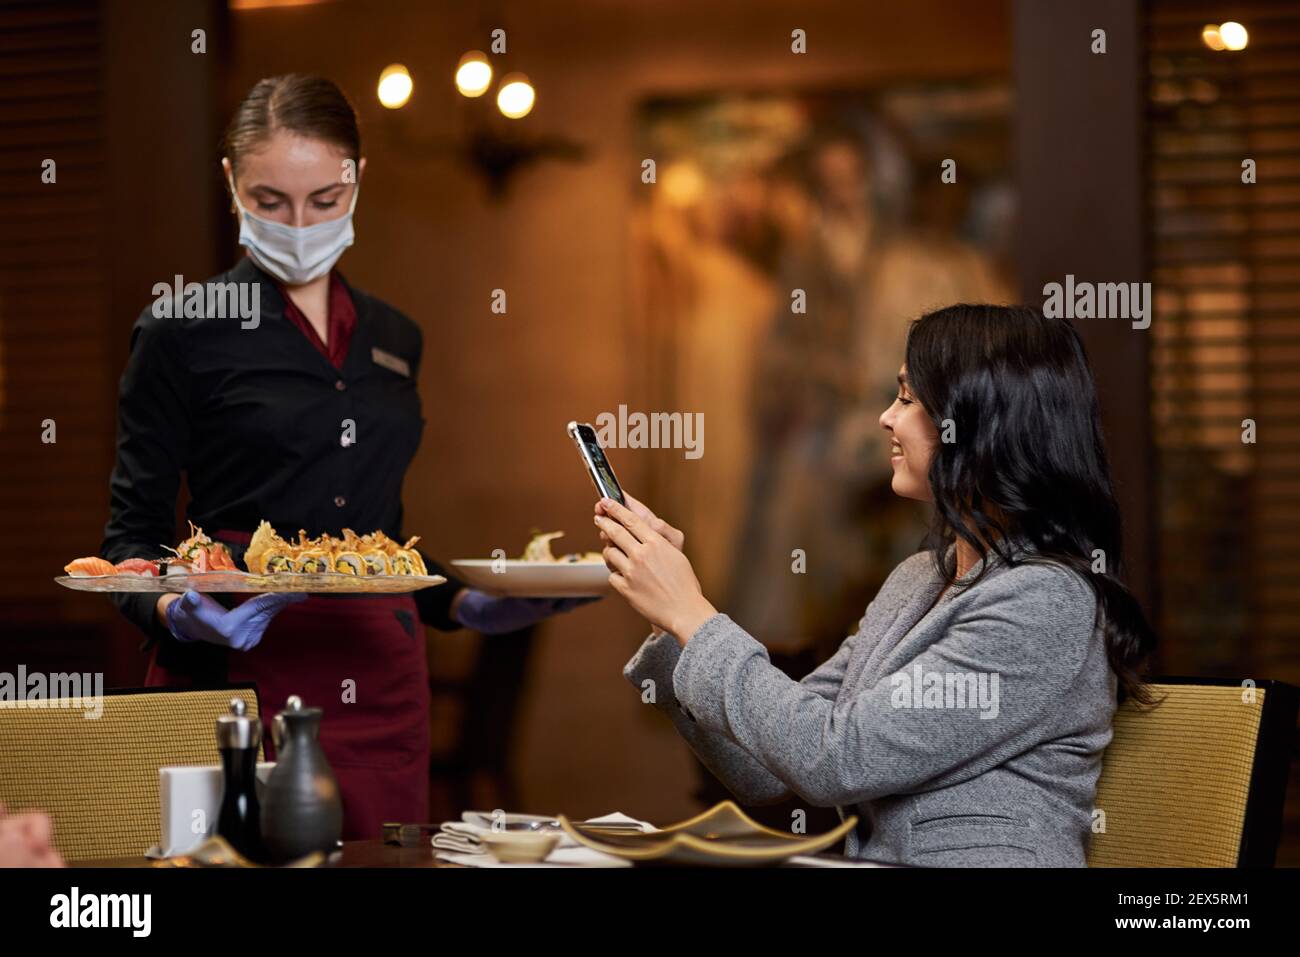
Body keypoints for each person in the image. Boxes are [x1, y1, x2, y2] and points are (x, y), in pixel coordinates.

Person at [100, 75, 587, 839]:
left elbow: (376, 541)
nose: (299, 224)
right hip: (235, 683)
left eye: (324, 200)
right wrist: (175, 612)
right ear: (230, 184)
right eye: (270, 201)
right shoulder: (179, 331)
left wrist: (467, 602)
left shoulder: (396, 339)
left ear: (358, 183)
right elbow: (130, 542)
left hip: (379, 683)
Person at [596, 303, 1157, 866]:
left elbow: (837, 759)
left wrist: (693, 613)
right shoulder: (918, 580)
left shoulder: (1045, 602)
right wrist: (671, 619)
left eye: (909, 400)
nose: (886, 418)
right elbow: (768, 767)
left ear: (982, 422)